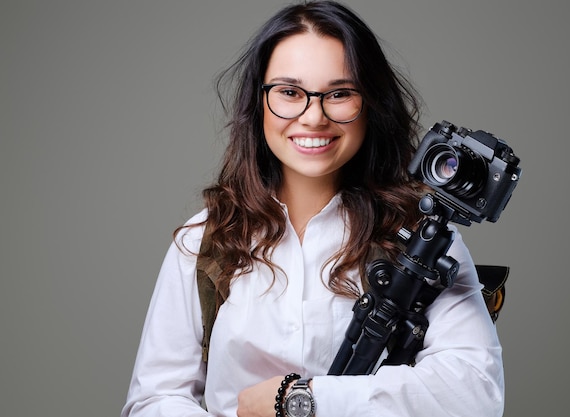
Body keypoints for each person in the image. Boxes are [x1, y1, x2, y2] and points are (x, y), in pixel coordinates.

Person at [121, 1, 504, 416]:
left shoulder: (421, 238)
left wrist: (302, 399)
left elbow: (476, 393)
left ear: (370, 103)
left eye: (339, 93)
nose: (313, 116)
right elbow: (153, 401)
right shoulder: (206, 239)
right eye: (289, 92)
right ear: (259, 101)